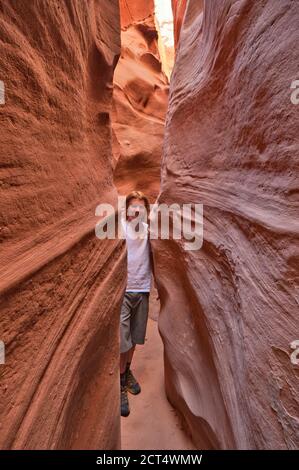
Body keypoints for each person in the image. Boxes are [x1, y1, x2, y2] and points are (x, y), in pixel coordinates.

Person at [119, 190, 153, 417]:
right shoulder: (119, 226)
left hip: (143, 290)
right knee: (123, 340)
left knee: (134, 337)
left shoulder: (150, 231)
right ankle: (121, 382)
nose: (137, 211)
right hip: (123, 291)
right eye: (133, 207)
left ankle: (126, 372)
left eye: (141, 207)